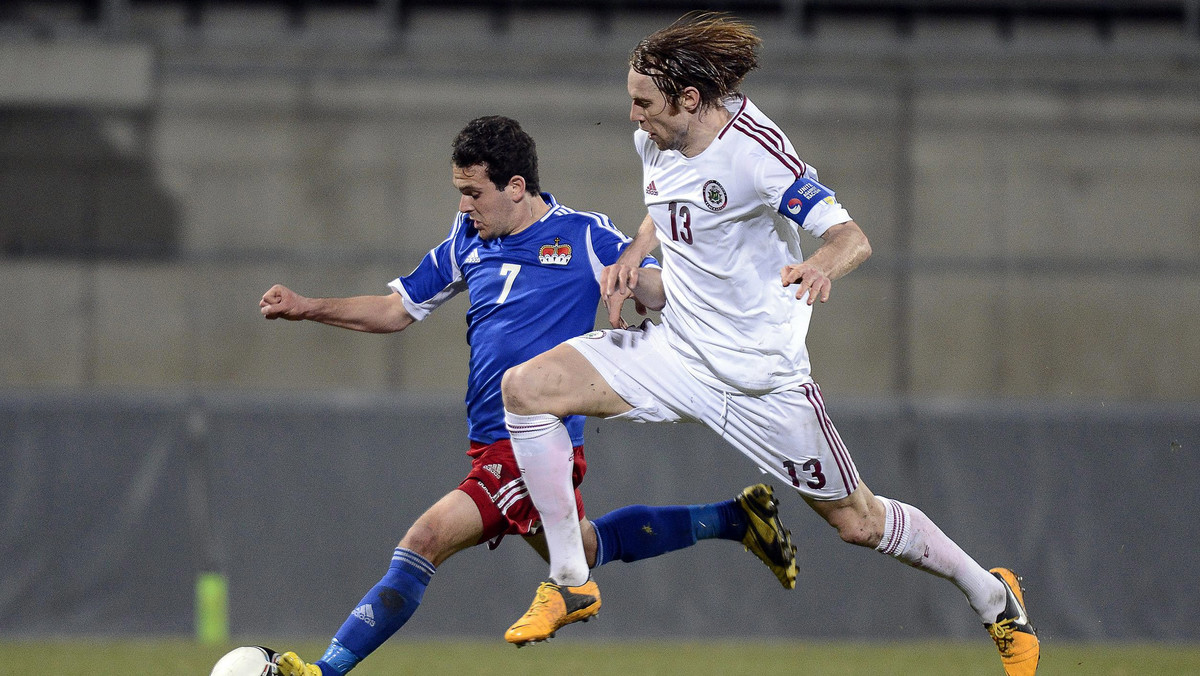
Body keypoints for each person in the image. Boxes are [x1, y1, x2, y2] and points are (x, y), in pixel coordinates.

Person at [499, 13, 1039, 676]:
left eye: (643, 103)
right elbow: (665, 203)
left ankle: (994, 597)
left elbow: (851, 237)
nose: (634, 117)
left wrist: (820, 267)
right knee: (525, 391)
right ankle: (570, 579)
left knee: (859, 523)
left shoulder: (757, 152)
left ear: (689, 100)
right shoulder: (656, 140)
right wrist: (635, 255)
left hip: (761, 381)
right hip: (678, 350)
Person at [258, 115, 798, 676]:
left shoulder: (585, 235)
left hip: (534, 441)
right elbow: (397, 309)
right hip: (488, 441)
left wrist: (643, 283)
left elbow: (656, 285)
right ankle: (736, 519)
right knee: (584, 548)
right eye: (460, 193)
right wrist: (306, 306)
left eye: (474, 193)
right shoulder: (467, 240)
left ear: (516, 187)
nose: (465, 206)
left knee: (425, 540)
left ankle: (325, 671)